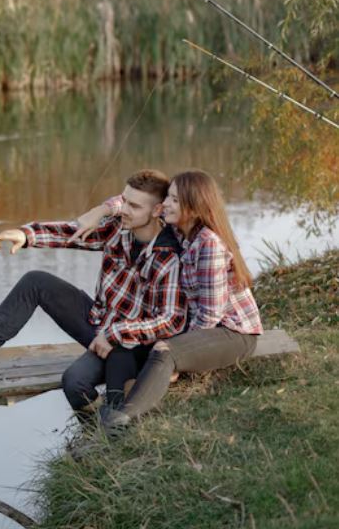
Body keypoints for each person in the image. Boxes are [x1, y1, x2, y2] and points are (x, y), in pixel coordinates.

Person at [0, 169, 188, 416]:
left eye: (134, 206)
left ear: (157, 210)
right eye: (124, 202)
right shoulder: (118, 230)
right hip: (98, 322)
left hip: (129, 344)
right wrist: (26, 235)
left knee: (75, 383)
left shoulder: (168, 257)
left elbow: (171, 320)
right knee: (36, 281)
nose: (124, 210)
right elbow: (72, 233)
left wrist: (115, 334)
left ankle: (101, 433)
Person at [75, 170, 262, 429]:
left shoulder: (208, 244)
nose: (166, 204)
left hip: (233, 333)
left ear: (194, 206)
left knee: (165, 351)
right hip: (207, 328)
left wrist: (184, 356)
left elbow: (210, 316)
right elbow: (134, 200)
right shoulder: (180, 230)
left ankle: (122, 419)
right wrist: (101, 211)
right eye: (168, 198)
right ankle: (115, 410)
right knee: (152, 348)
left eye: (174, 199)